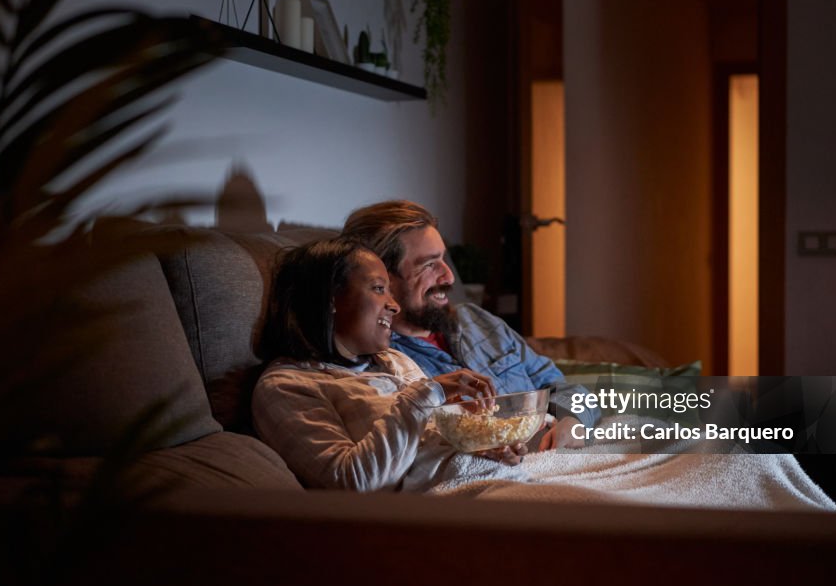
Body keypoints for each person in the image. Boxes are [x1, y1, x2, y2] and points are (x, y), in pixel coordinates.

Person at [252, 238, 527, 492]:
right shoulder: (287, 386)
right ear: (330, 298)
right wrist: (428, 394)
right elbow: (352, 482)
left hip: (505, 476)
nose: (394, 306)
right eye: (379, 289)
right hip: (456, 502)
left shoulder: (394, 360)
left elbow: (431, 438)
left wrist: (484, 443)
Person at [342, 200, 599, 450]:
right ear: (381, 279)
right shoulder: (378, 364)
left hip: (560, 455)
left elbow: (563, 387)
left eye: (444, 259)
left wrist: (574, 422)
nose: (449, 276)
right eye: (429, 265)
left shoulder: (477, 320)